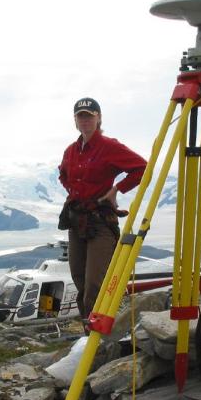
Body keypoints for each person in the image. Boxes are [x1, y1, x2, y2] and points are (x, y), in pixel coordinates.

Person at [59, 97, 147, 331]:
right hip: (77, 221)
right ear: (75, 121)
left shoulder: (109, 146)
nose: (85, 120)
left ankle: (96, 335)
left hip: (100, 222)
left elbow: (141, 168)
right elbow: (63, 174)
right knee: (79, 278)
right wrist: (74, 193)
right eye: (81, 116)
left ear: (99, 118)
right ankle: (88, 331)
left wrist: (116, 190)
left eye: (89, 115)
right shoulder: (71, 150)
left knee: (95, 283)